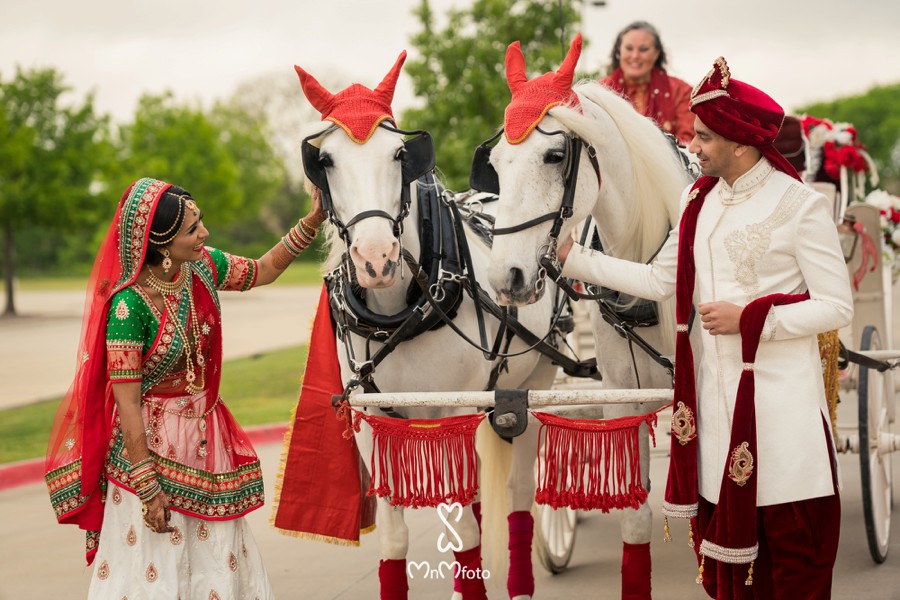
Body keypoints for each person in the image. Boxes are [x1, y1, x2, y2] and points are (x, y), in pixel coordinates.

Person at [559, 58, 853, 598]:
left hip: (783, 421)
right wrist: (572, 259)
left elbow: (837, 306)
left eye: (704, 137)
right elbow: (657, 279)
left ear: (741, 143)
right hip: (715, 424)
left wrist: (753, 319)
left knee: (793, 568)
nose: (692, 147)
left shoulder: (799, 206)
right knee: (730, 578)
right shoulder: (699, 202)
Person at [45, 177, 325, 598]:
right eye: (193, 229)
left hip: (209, 447)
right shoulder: (128, 307)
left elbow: (263, 270)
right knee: (156, 572)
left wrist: (313, 220)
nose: (204, 234)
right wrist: (146, 484)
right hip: (152, 459)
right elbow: (128, 406)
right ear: (160, 242)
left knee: (221, 561)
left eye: (200, 223)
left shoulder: (204, 267)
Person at [602, 21, 695, 144]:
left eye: (643, 49)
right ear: (619, 51)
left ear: (656, 53)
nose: (635, 56)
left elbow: (688, 143)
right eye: (629, 48)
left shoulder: (681, 91)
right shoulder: (601, 90)